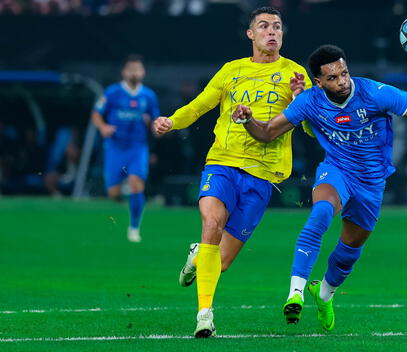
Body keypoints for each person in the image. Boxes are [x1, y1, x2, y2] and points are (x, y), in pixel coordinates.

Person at [232, 44, 407, 331]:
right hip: (337, 170)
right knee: (320, 213)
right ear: (318, 82)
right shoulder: (309, 101)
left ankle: (325, 293)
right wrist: (247, 121)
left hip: (372, 183)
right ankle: (295, 293)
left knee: (349, 251)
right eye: (332, 78)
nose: (342, 81)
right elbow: (267, 132)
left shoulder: (374, 93)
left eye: (344, 73)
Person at [153, 6, 312, 338]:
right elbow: (199, 106)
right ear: (250, 34)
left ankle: (198, 256)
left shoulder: (295, 75)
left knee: (220, 261)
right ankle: (205, 314)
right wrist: (171, 122)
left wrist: (302, 99)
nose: (272, 32)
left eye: (278, 27)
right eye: (265, 26)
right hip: (223, 162)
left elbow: (313, 131)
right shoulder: (231, 71)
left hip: (264, 175)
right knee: (211, 223)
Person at [92, 54, 160, 243]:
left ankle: (134, 228)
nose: (135, 72)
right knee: (113, 194)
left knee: (137, 184)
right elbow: (96, 114)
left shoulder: (149, 95)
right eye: (131, 69)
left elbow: (155, 122)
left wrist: (152, 124)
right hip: (115, 147)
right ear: (124, 72)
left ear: (143, 72)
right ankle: (122, 189)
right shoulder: (112, 92)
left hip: (138, 147)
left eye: (138, 69)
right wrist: (103, 127)